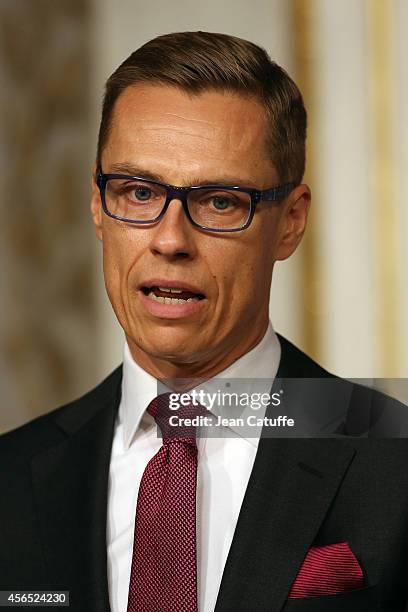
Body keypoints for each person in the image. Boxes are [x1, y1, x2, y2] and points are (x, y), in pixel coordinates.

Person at [1, 31, 407, 612]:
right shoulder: (11, 481)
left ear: (290, 223)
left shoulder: (393, 462)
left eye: (220, 201)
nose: (170, 240)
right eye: (139, 192)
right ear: (98, 206)